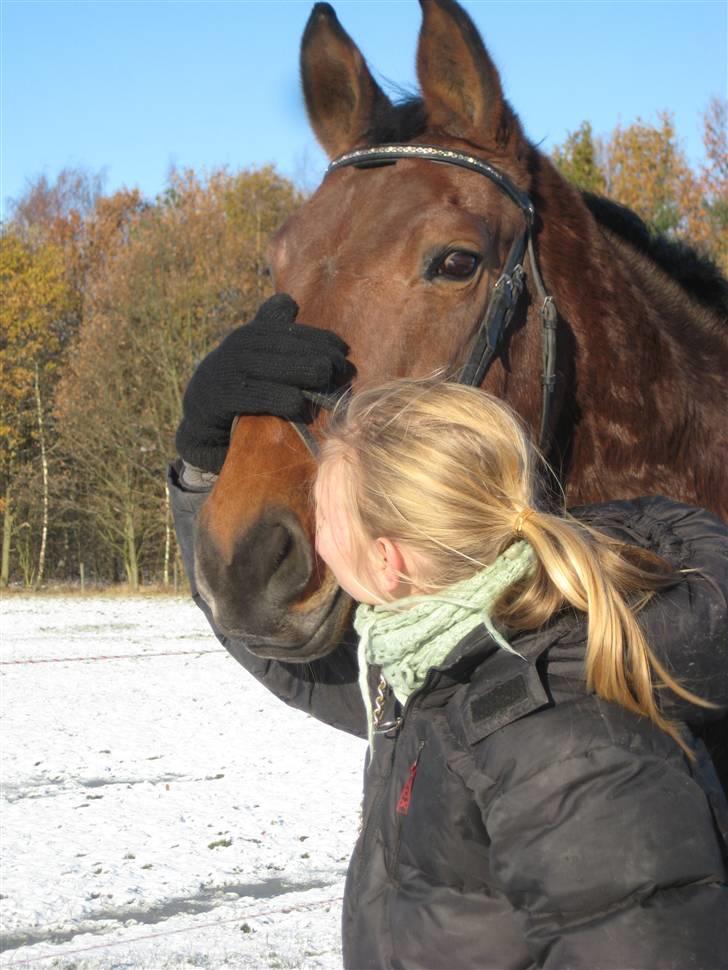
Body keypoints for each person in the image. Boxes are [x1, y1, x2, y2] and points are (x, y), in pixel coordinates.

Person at [170, 299, 728, 969]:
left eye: (322, 515)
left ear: (388, 560)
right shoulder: (427, 665)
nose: (313, 538)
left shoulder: (568, 746)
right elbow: (282, 652)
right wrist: (204, 465)